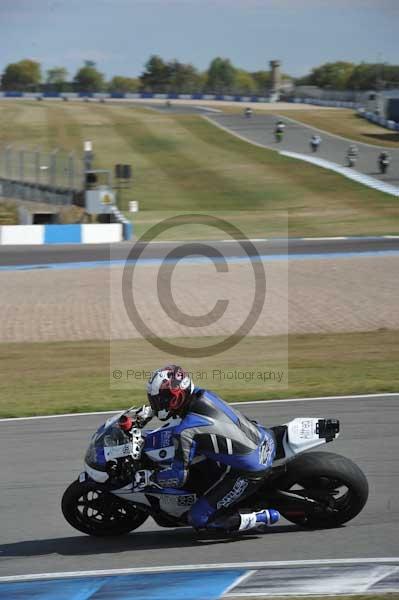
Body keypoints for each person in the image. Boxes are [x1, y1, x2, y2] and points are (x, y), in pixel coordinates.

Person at [135, 365, 280, 533]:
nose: (157, 404)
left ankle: (262, 517)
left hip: (251, 469)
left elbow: (178, 477)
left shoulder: (185, 432)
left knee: (199, 518)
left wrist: (150, 478)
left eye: (159, 400)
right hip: (262, 438)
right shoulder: (203, 394)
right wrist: (144, 415)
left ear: (175, 398)